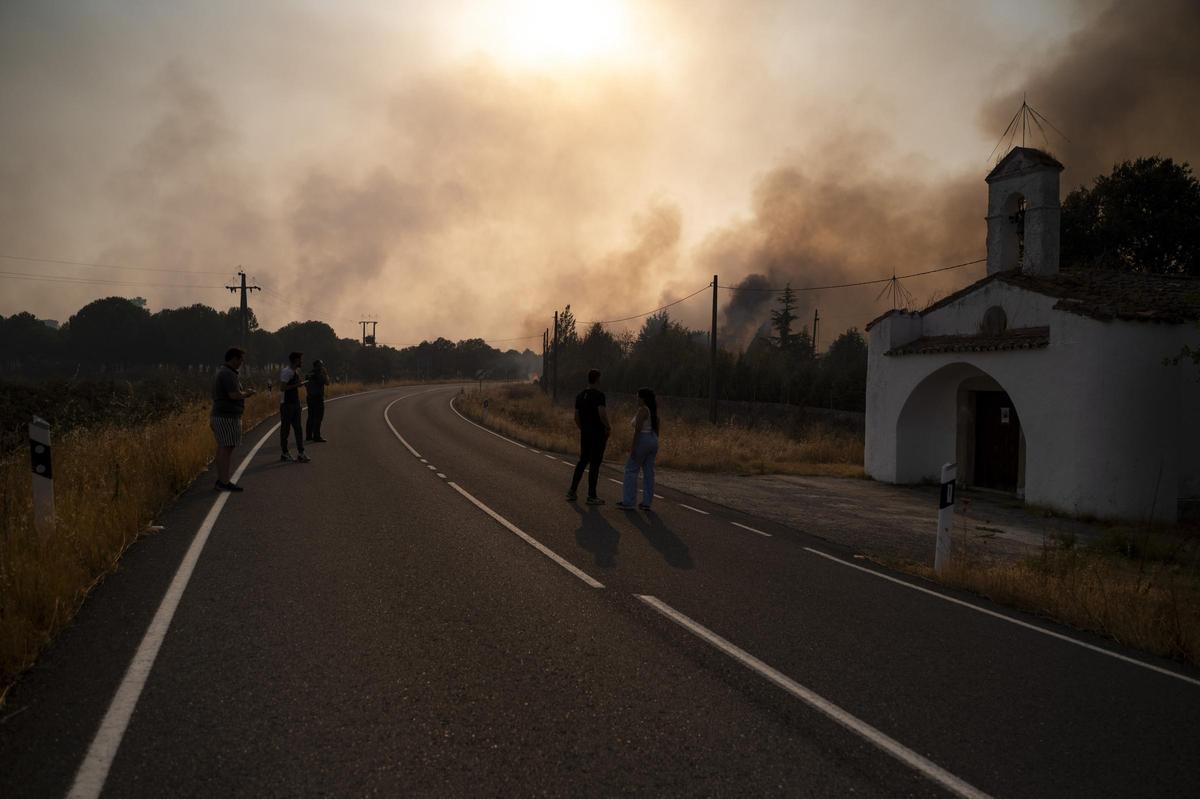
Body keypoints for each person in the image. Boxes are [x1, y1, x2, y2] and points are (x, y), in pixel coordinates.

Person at [210, 347, 256, 491]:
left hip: (222, 415)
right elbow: (233, 395)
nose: (242, 362)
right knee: (226, 448)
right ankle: (223, 482)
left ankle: (222, 480)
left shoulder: (224, 372)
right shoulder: (228, 374)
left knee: (224, 447)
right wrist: (247, 393)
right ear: (234, 359)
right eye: (241, 359)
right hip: (226, 417)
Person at [567, 368, 611, 505]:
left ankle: (572, 491)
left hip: (585, 433)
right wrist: (608, 426)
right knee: (595, 464)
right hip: (597, 433)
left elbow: (576, 417)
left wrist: (583, 428)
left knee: (582, 461)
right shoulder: (599, 395)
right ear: (597, 379)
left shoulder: (580, 396)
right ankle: (592, 495)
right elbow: (602, 413)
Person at [616, 388, 660, 511]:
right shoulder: (653, 411)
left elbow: (638, 430)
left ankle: (629, 501)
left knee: (631, 470)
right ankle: (647, 502)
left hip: (643, 439)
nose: (637, 399)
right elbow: (657, 426)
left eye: (638, 397)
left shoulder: (643, 410)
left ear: (643, 398)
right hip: (653, 439)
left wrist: (633, 447)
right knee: (648, 472)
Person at [279, 352, 310, 462]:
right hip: (287, 404)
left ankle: (301, 453)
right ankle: (284, 453)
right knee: (285, 430)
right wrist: (297, 385)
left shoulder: (295, 371)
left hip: (295, 404)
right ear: (296, 360)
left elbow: (293, 387)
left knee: (298, 429)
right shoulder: (286, 372)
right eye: (301, 360)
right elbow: (282, 388)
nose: (302, 362)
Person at [305, 359, 330, 443]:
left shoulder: (309, 373)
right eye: (321, 365)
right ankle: (317, 436)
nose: (322, 366)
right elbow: (327, 382)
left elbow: (305, 384)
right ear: (318, 366)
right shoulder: (320, 374)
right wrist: (325, 373)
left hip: (309, 397)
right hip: (318, 398)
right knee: (318, 417)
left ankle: (308, 435)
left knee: (311, 416)